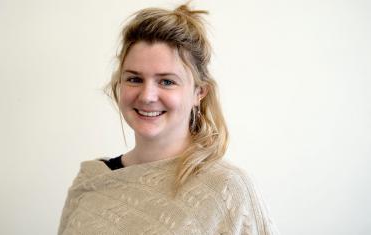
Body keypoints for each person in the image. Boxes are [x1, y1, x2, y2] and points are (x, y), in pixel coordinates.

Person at [58, 3, 278, 235]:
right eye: (134, 79)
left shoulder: (227, 190)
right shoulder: (91, 181)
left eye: (166, 81)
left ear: (199, 93)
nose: (147, 96)